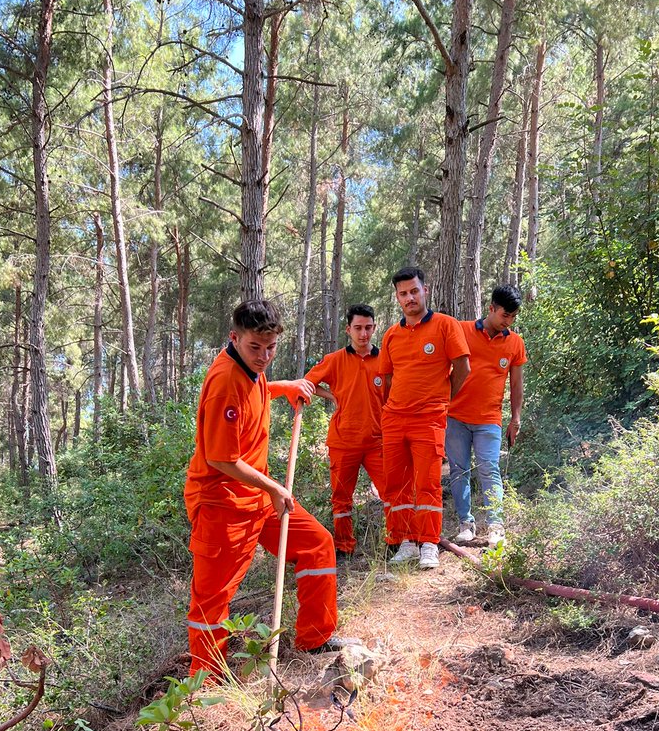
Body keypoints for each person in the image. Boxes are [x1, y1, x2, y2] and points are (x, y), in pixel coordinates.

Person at [184, 299, 338, 675]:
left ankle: (315, 639)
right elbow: (221, 458)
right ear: (234, 338)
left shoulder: (251, 369)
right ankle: (205, 683)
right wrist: (273, 487)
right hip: (222, 505)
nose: (264, 356)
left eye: (271, 348)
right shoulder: (224, 383)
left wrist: (282, 386)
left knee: (318, 544)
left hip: (257, 496)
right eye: (255, 347)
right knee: (212, 599)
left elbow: (256, 386)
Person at [377, 266, 470, 570]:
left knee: (428, 483)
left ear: (425, 290)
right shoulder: (391, 334)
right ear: (397, 297)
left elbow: (463, 368)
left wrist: (443, 400)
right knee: (397, 484)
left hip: (429, 419)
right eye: (403, 293)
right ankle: (405, 541)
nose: (409, 297)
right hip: (394, 419)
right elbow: (387, 378)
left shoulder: (446, 325)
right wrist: (393, 406)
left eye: (414, 291)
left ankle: (429, 543)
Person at [446, 283, 526, 547]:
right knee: (458, 470)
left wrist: (516, 418)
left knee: (489, 469)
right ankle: (465, 524)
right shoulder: (462, 330)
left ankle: (495, 526)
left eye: (513, 317)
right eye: (505, 315)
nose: (509, 321)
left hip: (489, 419)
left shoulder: (515, 343)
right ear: (491, 308)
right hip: (455, 416)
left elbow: (516, 385)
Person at [305, 304, 385, 555]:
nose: (363, 334)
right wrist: (332, 396)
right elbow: (309, 382)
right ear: (348, 329)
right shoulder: (335, 360)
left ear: (374, 327)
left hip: (377, 440)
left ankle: (396, 540)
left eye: (368, 328)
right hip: (343, 440)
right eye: (358, 328)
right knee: (341, 497)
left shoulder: (385, 359)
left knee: (392, 491)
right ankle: (344, 545)